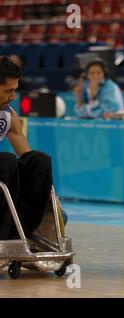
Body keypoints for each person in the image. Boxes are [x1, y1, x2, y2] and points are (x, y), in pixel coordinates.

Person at [0, 56, 53, 239]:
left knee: (39, 161)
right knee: (6, 161)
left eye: (15, 90)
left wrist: (48, 194)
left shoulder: (9, 116)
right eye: (8, 91)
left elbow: (27, 156)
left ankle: (21, 233)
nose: (13, 97)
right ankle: (3, 232)